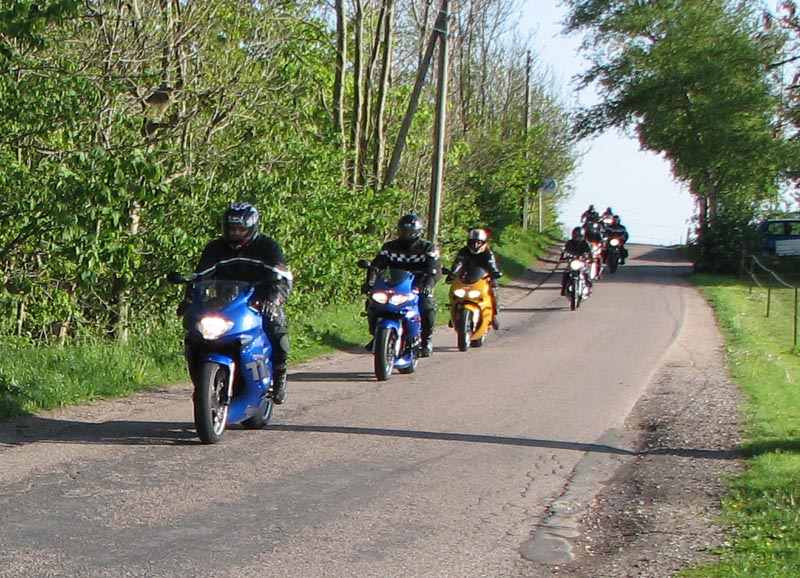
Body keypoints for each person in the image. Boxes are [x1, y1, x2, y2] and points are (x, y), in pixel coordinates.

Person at [191, 202, 293, 404]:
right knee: (194, 334)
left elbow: (282, 278)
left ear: (252, 227)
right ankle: (202, 384)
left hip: (260, 301)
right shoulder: (214, 248)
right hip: (225, 304)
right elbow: (200, 277)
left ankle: (279, 376)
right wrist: (190, 300)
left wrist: (274, 300)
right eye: (232, 229)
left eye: (241, 229)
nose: (236, 233)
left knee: (276, 329)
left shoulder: (268, 247)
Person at [363, 214, 441, 357]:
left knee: (427, 305)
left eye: (410, 232)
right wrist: (370, 282)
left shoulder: (428, 248)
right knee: (373, 303)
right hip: (393, 284)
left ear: (418, 232)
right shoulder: (389, 247)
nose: (406, 234)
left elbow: (434, 269)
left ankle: (426, 340)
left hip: (417, 284)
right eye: (404, 231)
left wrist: (428, 285)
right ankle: (378, 334)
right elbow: (377, 265)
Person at [445, 228, 503, 329]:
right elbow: (458, 263)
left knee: (493, 290)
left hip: (484, 276)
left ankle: (493, 314)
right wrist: (453, 273)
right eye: (473, 242)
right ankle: (454, 311)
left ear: (483, 242)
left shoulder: (488, 253)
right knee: (454, 293)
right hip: (466, 275)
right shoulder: (464, 251)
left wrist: (495, 272)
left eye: (478, 242)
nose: (475, 245)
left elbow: (491, 264)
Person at [560, 226, 593, 296]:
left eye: (579, 236)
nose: (577, 238)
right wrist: (563, 257)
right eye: (576, 236)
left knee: (586, 273)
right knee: (566, 273)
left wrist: (590, 258)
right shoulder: (569, 243)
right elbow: (565, 251)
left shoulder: (586, 243)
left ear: (583, 236)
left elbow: (590, 252)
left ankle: (589, 288)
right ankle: (563, 288)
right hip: (573, 261)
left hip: (582, 261)